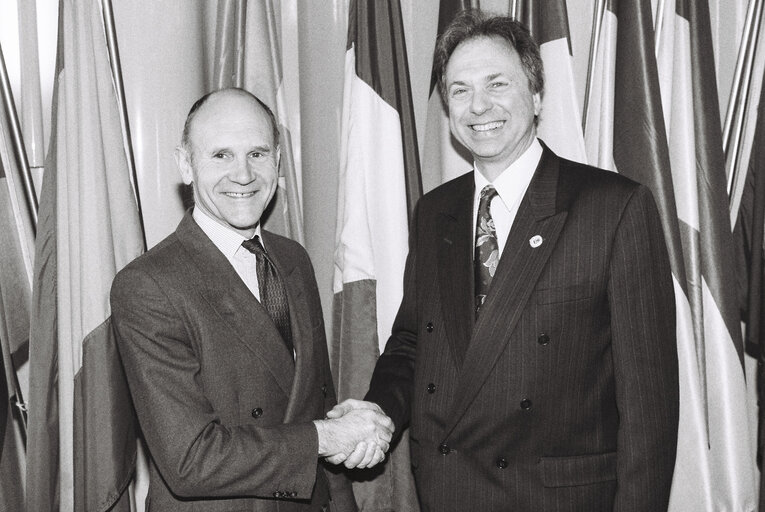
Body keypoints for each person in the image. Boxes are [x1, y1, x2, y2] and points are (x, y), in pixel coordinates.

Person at [328, 9, 679, 511]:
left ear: (536, 95)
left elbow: (650, 409)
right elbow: (412, 343)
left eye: (497, 83)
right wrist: (376, 414)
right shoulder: (435, 212)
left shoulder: (613, 208)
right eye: (460, 90)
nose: (479, 106)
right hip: (449, 494)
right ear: (447, 109)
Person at [110, 88, 392, 511]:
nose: (242, 174)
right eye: (220, 155)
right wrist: (330, 436)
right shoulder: (148, 285)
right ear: (186, 165)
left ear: (278, 162)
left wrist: (347, 443)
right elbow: (191, 460)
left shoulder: (293, 259)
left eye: (257, 154)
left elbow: (317, 401)